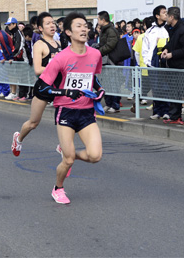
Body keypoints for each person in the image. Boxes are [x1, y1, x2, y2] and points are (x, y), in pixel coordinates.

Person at [36, 12, 105, 204]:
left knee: (95, 155)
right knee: (68, 161)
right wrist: (65, 92)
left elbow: (93, 77)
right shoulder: (60, 58)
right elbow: (41, 87)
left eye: (86, 26)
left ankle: (68, 150)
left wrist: (100, 90)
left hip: (86, 111)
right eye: (79, 26)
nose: (84, 29)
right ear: (68, 32)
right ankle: (58, 188)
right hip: (65, 111)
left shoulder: (95, 54)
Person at [12, 12, 63, 156]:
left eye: (53, 22)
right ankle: (19, 138)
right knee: (34, 123)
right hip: (44, 87)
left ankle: (62, 145)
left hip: (58, 87)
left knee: (68, 116)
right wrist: (54, 67)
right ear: (40, 28)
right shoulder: (39, 45)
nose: (52, 25)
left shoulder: (58, 43)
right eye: (48, 23)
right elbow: (38, 69)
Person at [161, 7, 184, 125]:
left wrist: (172, 54)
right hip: (176, 67)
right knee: (174, 93)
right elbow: (172, 43)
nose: (165, 17)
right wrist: (166, 49)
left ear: (172, 17)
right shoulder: (174, 29)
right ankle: (174, 116)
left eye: (167, 14)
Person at [142, 5, 171, 120]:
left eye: (166, 12)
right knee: (156, 88)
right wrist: (148, 62)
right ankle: (157, 111)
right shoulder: (150, 31)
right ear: (157, 16)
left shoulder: (169, 29)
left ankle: (167, 111)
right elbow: (145, 48)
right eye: (164, 12)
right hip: (153, 65)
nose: (166, 14)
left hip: (165, 64)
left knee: (166, 88)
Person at [97, 11, 120, 113]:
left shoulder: (110, 30)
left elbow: (111, 45)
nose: (98, 21)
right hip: (105, 59)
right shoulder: (105, 30)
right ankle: (108, 103)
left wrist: (99, 51)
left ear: (103, 20)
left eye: (98, 19)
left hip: (111, 60)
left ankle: (115, 105)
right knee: (106, 82)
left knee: (113, 82)